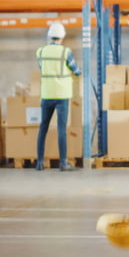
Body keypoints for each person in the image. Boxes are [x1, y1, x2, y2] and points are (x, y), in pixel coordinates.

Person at [36, 22, 82, 171]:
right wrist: (78, 72)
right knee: (61, 129)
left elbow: (42, 68)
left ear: (49, 36)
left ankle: (40, 163)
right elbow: (75, 70)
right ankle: (63, 163)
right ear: (62, 37)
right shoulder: (65, 52)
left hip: (46, 94)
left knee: (43, 128)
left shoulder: (41, 51)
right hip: (62, 95)